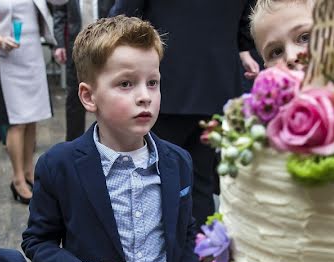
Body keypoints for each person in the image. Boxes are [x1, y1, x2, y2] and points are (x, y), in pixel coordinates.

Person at [21, 16, 200, 262]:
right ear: (89, 97)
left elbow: (188, 233)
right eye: (126, 84)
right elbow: (37, 240)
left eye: (153, 83)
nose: (145, 97)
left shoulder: (178, 162)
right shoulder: (59, 166)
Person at [109, 0, 255, 228]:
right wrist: (243, 46)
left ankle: (162, 253)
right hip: (216, 83)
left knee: (154, 179)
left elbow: (122, 18)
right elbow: (249, 16)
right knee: (201, 183)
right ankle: (200, 254)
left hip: (164, 83)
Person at [0, 0, 66, 204]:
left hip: (31, 54)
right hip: (3, 55)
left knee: (32, 119)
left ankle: (30, 173)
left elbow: (60, 2)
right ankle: (18, 179)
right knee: (17, 122)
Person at [51, 0, 112, 141]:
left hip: (106, 49)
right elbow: (60, 17)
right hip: (76, 50)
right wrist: (59, 45)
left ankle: (108, 139)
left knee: (108, 93)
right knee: (74, 97)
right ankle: (73, 142)